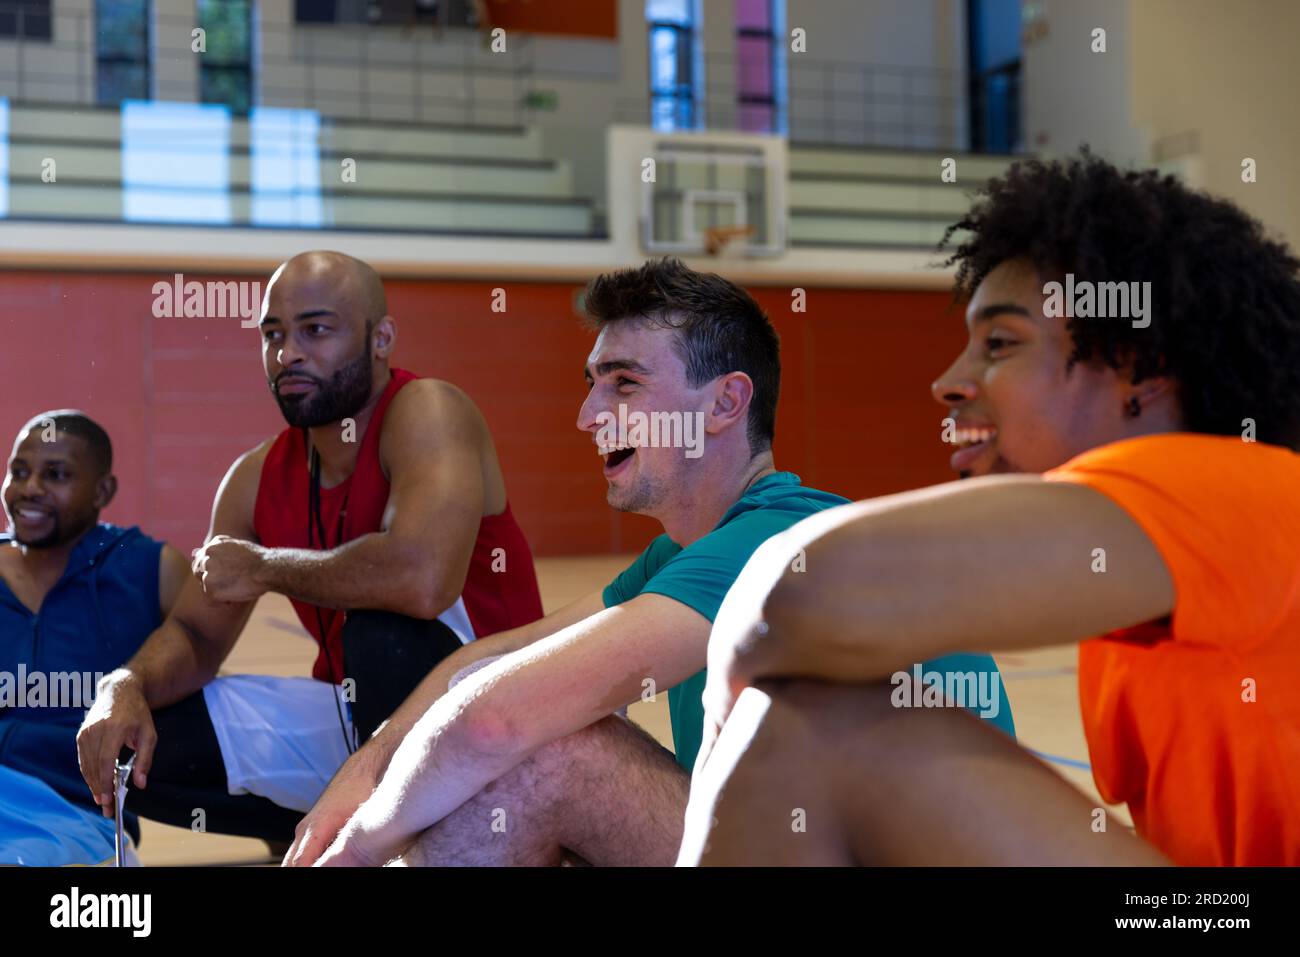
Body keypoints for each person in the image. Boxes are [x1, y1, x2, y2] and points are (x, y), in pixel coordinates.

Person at [679, 151, 1300, 867]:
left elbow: (801, 591)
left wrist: (726, 704)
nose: (947, 382)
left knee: (813, 723)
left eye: (999, 344)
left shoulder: (1231, 482)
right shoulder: (1178, 557)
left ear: (1144, 368)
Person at [286, 257, 1013, 867]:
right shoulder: (687, 552)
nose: (589, 414)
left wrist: (351, 850)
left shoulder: (778, 542)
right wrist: (365, 765)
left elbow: (493, 721)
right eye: (592, 382)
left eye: (624, 383)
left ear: (726, 402)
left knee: (542, 756)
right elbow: (485, 662)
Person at [76, 250, 542, 844]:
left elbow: (422, 581)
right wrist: (124, 686)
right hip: (367, 725)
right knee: (132, 741)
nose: (288, 353)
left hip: (498, 723)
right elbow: (196, 635)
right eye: (273, 334)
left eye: (315, 330)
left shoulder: (429, 412)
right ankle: (332, 829)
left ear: (382, 338)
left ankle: (450, 838)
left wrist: (267, 568)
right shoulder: (254, 478)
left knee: (382, 635)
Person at [0, 411, 188, 865]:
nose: (29, 489)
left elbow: (200, 679)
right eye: (19, 471)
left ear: (103, 491)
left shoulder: (151, 569)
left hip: (75, 814)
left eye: (56, 475)